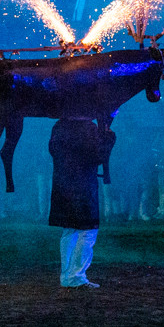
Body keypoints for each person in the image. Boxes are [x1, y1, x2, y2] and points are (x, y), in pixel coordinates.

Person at [48, 118, 116, 288]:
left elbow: (53, 151)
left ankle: (67, 277)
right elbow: (98, 156)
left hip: (63, 185)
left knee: (70, 230)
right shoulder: (88, 128)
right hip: (83, 186)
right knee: (87, 230)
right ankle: (76, 276)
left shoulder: (59, 126)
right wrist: (108, 138)